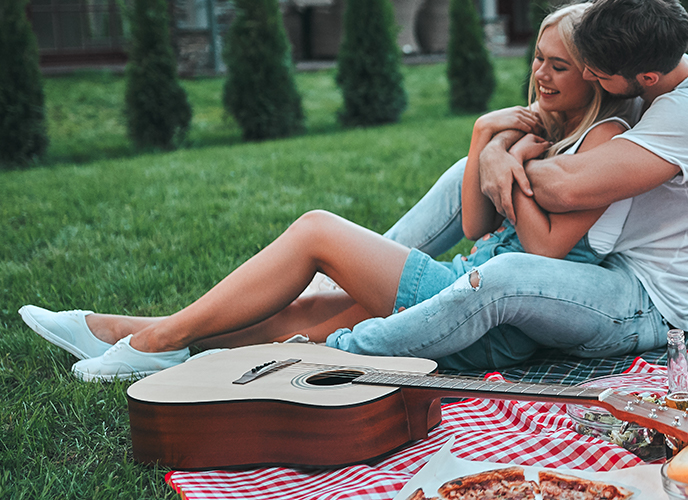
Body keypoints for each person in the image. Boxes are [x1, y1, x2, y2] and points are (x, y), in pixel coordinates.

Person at [18, 3, 653, 381]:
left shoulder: (604, 141)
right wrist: (484, 136)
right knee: (297, 317)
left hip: (495, 315)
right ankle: (118, 334)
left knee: (318, 230)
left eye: (558, 65)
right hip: (464, 280)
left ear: (594, 74)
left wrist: (509, 165)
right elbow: (473, 219)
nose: (540, 73)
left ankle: (149, 343)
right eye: (538, 58)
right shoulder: (541, 125)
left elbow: (536, 257)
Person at [372, 0, 688, 368]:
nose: (587, 77)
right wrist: (493, 149)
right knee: (463, 171)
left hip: (647, 301)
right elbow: (540, 117)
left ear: (647, 78)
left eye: (597, 75)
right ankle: (373, 257)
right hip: (599, 261)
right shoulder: (635, 65)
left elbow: (565, 186)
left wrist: (509, 159)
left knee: (503, 276)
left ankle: (352, 350)